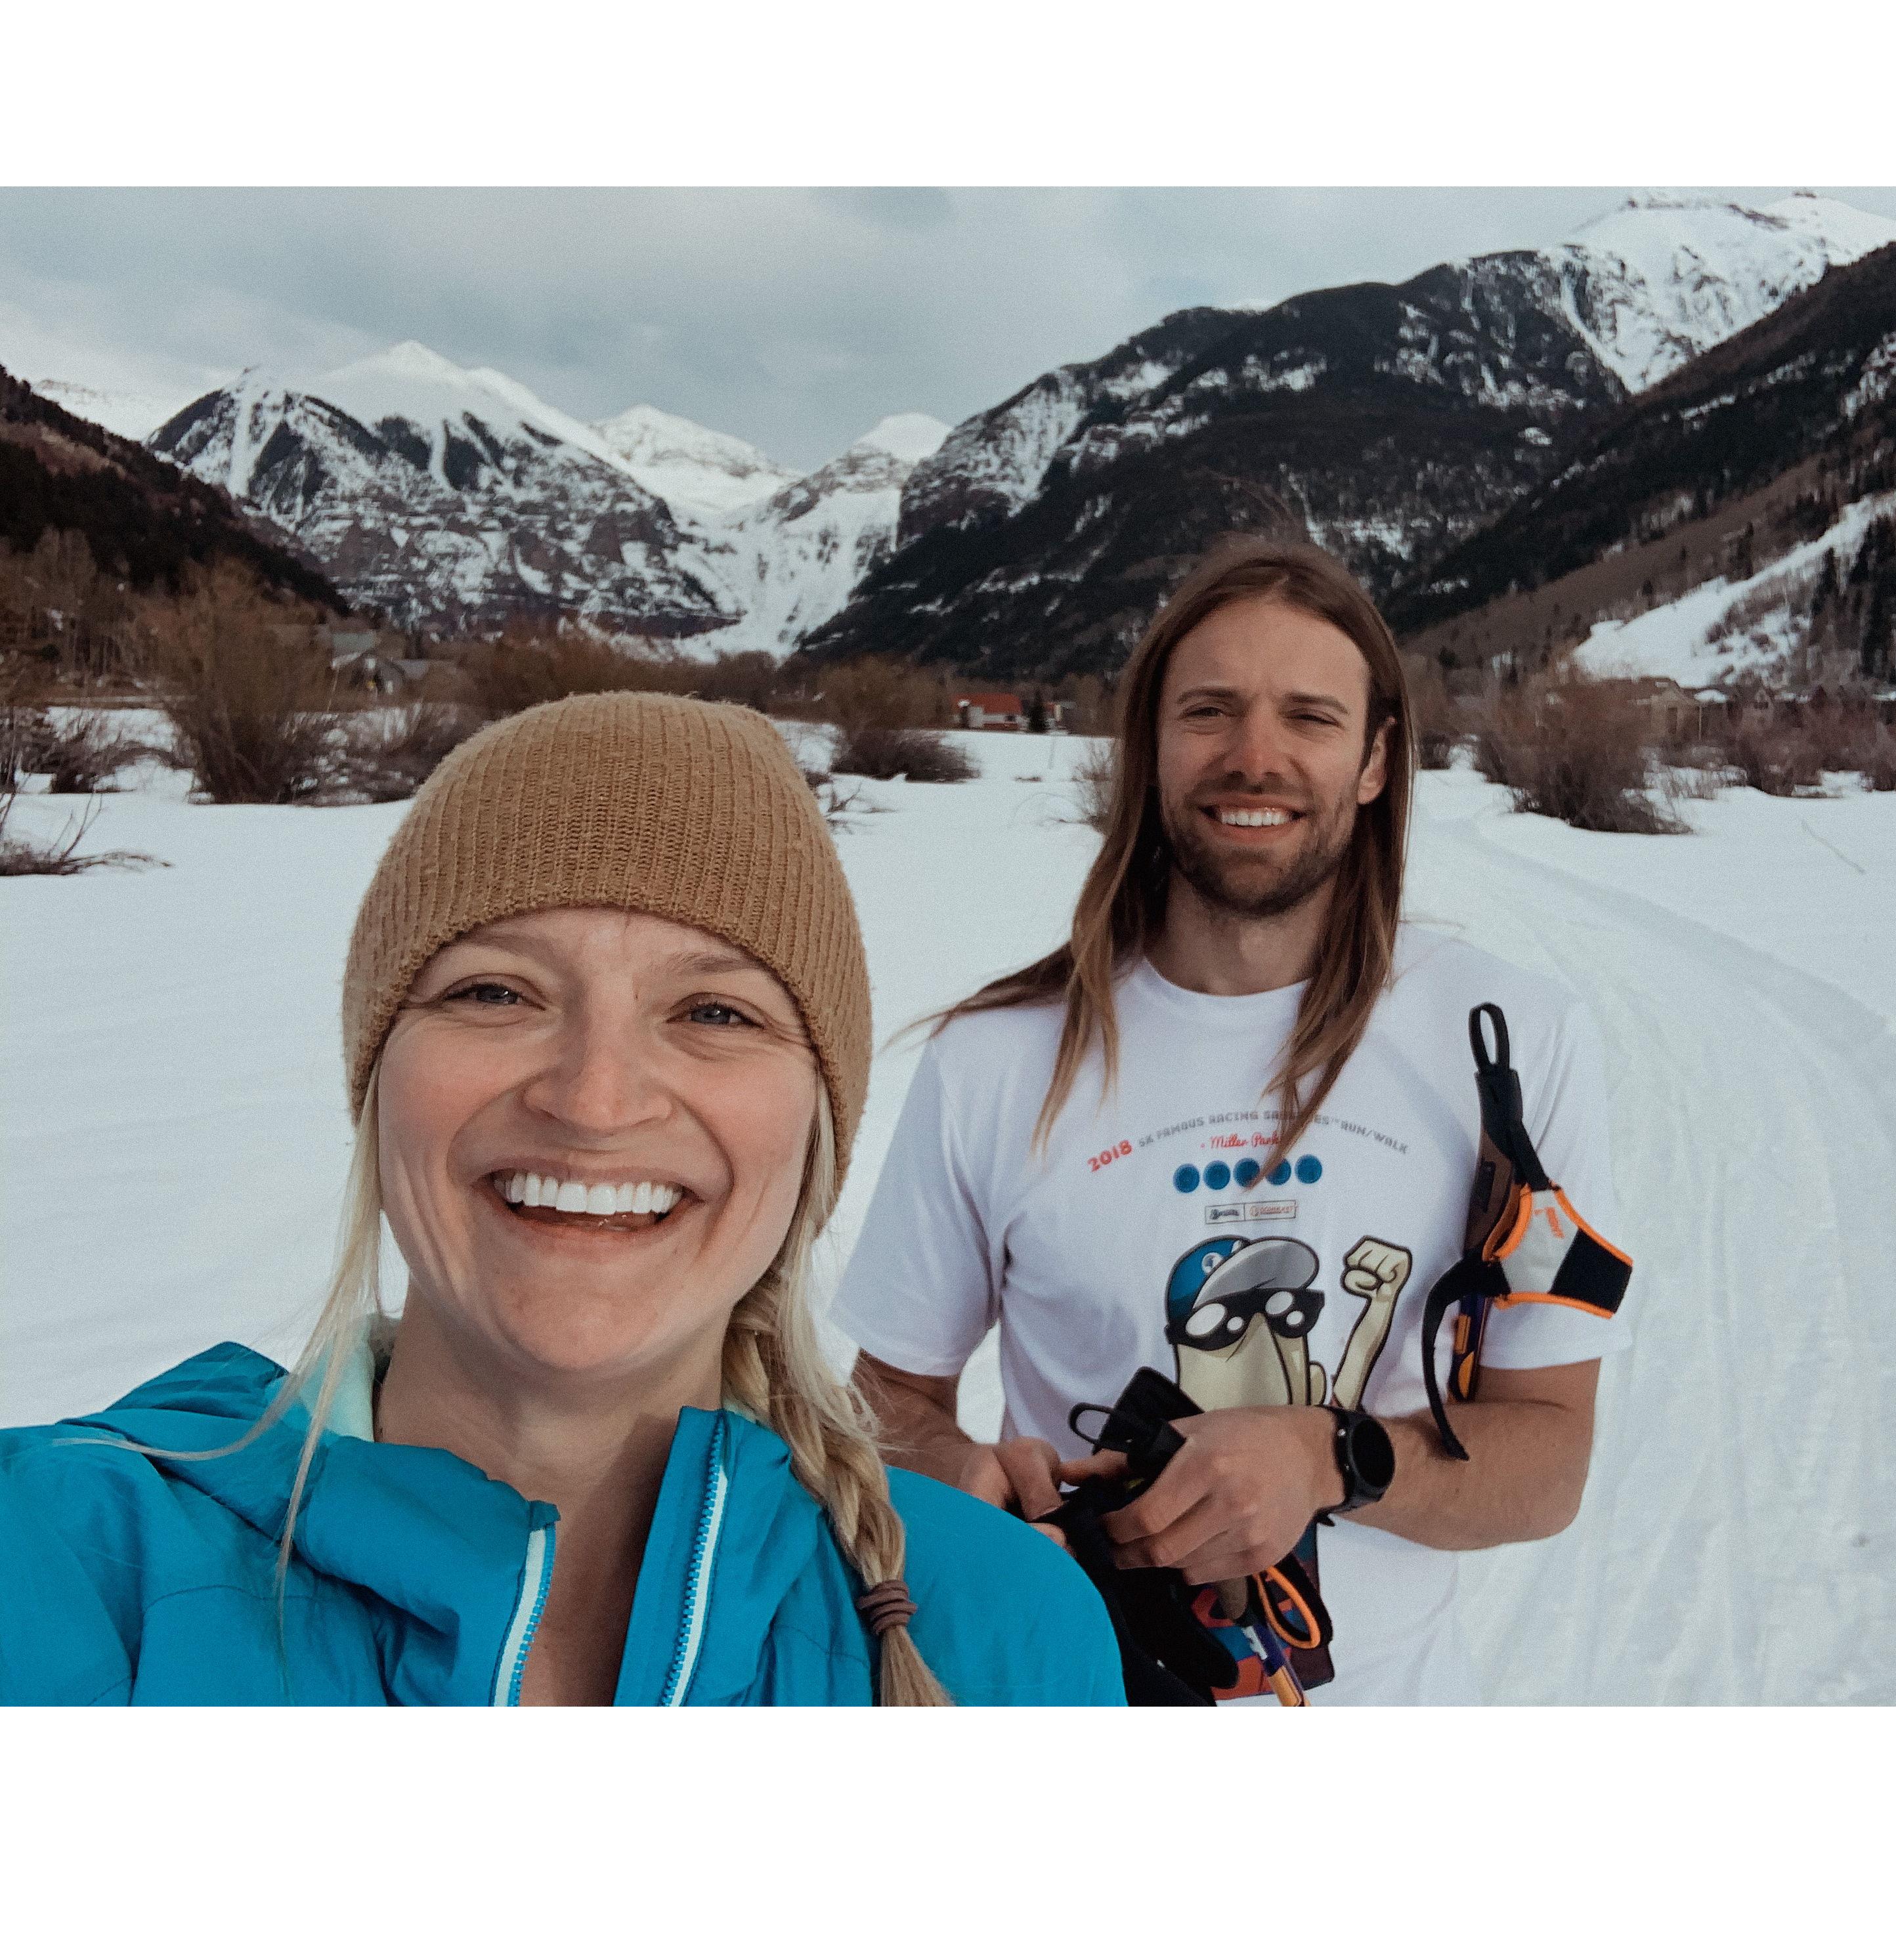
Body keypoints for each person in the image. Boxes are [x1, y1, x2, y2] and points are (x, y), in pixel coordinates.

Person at [0, 692, 1122, 1707]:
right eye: (497, 991)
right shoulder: (69, 1565)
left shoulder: (1005, 1635)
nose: (595, 1100)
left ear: (814, 1124)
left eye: (715, 1013)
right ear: (378, 1081)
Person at [836, 536, 1633, 1705]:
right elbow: (883, 1399)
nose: (1255, 759)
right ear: (1148, 752)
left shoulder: (1508, 1045)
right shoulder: (998, 1060)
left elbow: (1547, 1460)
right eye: (1209, 711)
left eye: (1309, 717)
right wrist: (958, 1473)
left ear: (1374, 761)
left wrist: (1332, 1460)